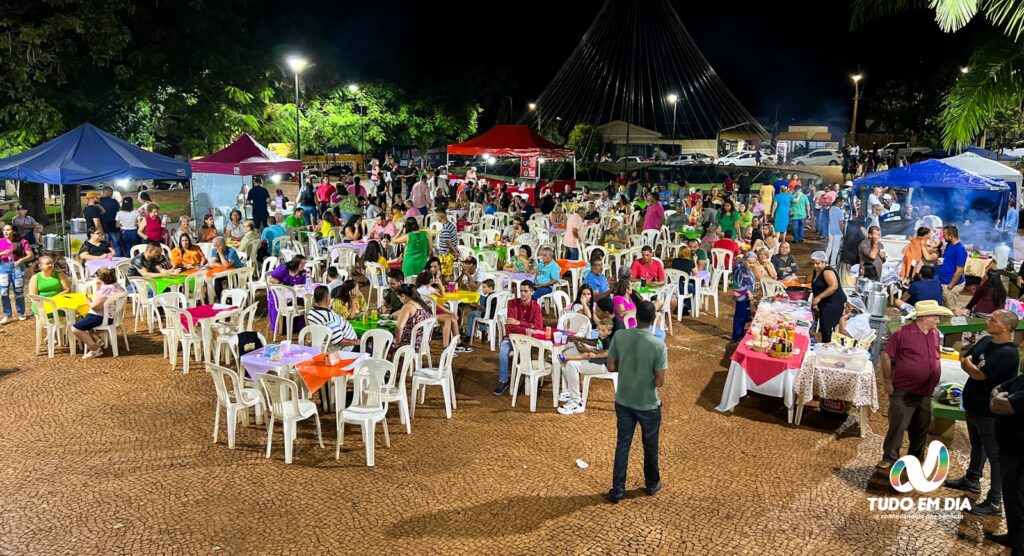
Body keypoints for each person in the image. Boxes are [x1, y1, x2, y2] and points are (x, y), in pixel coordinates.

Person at [943, 310, 1020, 517]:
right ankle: (972, 479)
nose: (988, 320)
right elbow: (964, 358)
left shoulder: (1008, 353)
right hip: (973, 406)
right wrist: (970, 364)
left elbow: (977, 373)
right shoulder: (986, 341)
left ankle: (995, 500)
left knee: (995, 456)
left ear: (1006, 327)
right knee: (977, 446)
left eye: (993, 319)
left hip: (990, 412)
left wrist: (970, 365)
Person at [605, 301, 667, 503]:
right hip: (647, 403)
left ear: (636, 316)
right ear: (653, 319)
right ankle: (651, 483)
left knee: (623, 444)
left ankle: (617, 489)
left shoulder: (620, 336)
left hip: (623, 399)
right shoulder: (658, 345)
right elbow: (659, 381)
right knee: (650, 445)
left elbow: (611, 367)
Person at [878, 300, 952, 470]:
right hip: (905, 389)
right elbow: (886, 356)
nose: (938, 321)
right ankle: (890, 456)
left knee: (921, 425)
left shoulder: (934, 333)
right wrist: (888, 382)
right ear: (924, 317)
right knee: (898, 425)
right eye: (936, 317)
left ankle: (915, 458)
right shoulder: (902, 333)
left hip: (925, 391)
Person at [990, 364, 1024, 553]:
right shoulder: (1021, 379)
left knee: (1019, 501)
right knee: (1011, 498)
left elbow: (998, 404)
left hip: (1020, 455)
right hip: (1010, 450)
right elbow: (998, 389)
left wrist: (1000, 398)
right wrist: (999, 396)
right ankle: (1013, 536)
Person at [556, 316, 618, 415]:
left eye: (602, 330)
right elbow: (596, 343)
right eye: (599, 329)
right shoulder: (603, 337)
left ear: (608, 331)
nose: (600, 332)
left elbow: (607, 352)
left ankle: (576, 402)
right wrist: (580, 339)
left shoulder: (608, 340)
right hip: (598, 359)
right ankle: (571, 391)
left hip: (604, 365)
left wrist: (592, 352)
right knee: (567, 354)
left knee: (571, 364)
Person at [494, 281, 544, 395]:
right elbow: (510, 328)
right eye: (521, 291)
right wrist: (527, 328)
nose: (522, 294)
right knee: (503, 349)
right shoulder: (512, 303)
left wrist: (518, 322)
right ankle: (503, 380)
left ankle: (532, 379)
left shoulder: (536, 306)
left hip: (529, 339)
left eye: (525, 291)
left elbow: (539, 327)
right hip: (513, 337)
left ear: (532, 292)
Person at [71, 267, 125, 359]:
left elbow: (94, 306)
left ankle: (95, 349)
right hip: (111, 316)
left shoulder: (105, 291)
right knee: (81, 316)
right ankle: (97, 339)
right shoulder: (117, 286)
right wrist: (98, 288)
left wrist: (88, 301)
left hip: (101, 317)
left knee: (75, 328)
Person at [306, 285, 360, 352]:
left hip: (327, 345)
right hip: (348, 349)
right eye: (329, 295)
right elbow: (340, 341)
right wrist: (357, 342)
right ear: (327, 298)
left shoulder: (311, 312)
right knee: (373, 351)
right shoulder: (329, 318)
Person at [810, 250, 846, 343]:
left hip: (833, 303)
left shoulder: (827, 271)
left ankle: (828, 346)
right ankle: (826, 344)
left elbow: (834, 287)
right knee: (824, 326)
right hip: (825, 303)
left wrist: (819, 297)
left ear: (824, 262)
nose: (815, 266)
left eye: (817, 263)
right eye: (813, 263)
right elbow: (808, 279)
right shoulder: (817, 270)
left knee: (827, 327)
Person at [391, 284, 432, 355]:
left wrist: (398, 343)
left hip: (411, 344)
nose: (399, 300)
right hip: (423, 343)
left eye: (399, 297)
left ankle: (392, 364)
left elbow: (399, 328)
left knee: (385, 343)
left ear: (403, 296)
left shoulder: (408, 306)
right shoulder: (422, 304)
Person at [939, 225, 968, 310]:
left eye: (944, 235)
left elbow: (959, 271)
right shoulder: (949, 245)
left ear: (951, 236)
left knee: (949, 310)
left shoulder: (960, 249)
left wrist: (950, 288)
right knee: (943, 309)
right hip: (944, 281)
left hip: (951, 284)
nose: (943, 237)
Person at [730, 252, 756, 341]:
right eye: (750, 263)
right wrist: (747, 291)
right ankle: (737, 335)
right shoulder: (740, 271)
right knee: (740, 316)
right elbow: (736, 285)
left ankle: (740, 333)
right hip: (741, 297)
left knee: (744, 316)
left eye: (753, 263)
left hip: (746, 297)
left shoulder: (747, 270)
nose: (751, 265)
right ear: (744, 261)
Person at [462, 278, 496, 344]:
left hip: (488, 315)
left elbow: (485, 310)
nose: (483, 289)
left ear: (490, 288)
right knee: (477, 313)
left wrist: (476, 305)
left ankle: (469, 335)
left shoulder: (489, 297)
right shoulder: (496, 296)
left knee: (471, 314)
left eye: (484, 287)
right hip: (494, 316)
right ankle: (483, 331)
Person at [434, 208, 459, 279]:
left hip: (446, 256)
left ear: (441, 217)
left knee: (447, 276)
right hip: (448, 254)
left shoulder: (445, 229)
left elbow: (449, 244)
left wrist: (455, 253)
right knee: (449, 274)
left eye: (437, 216)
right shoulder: (451, 225)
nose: (436, 218)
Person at [825, 197, 847, 267]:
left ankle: (825, 260)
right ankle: (833, 263)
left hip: (831, 230)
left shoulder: (831, 209)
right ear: (839, 202)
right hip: (837, 231)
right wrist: (844, 232)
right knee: (836, 248)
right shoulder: (839, 211)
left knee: (829, 246)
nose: (843, 203)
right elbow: (841, 223)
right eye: (842, 202)